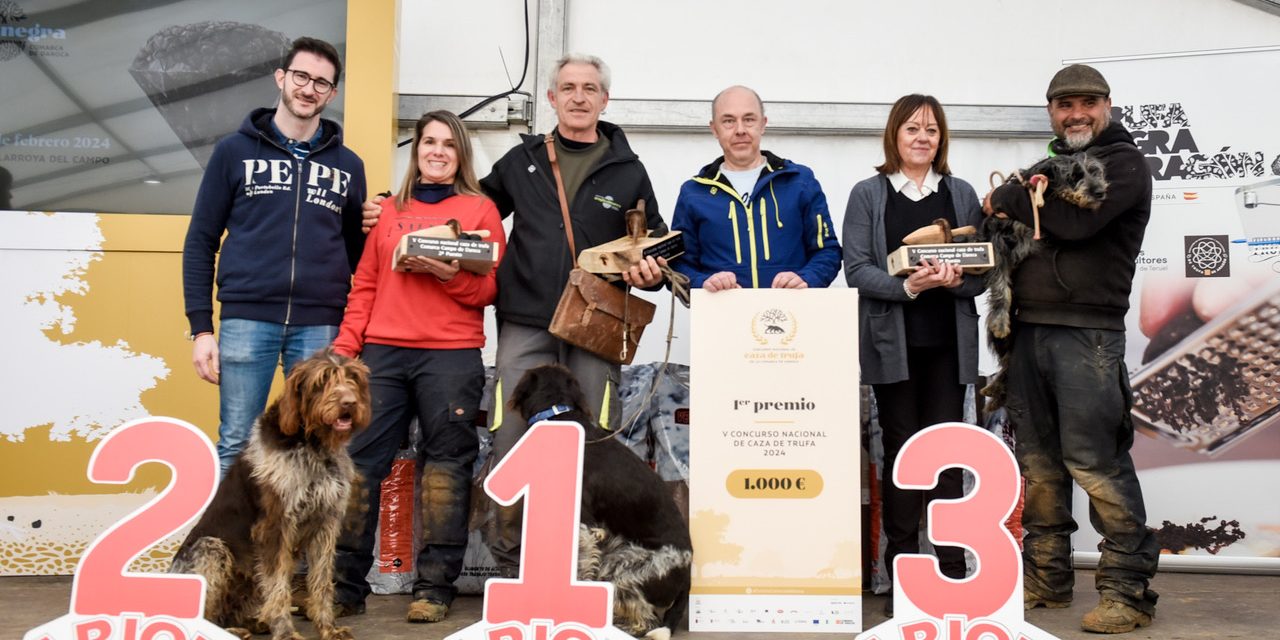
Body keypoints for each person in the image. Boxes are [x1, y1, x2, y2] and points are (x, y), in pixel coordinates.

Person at [983, 64, 1159, 634]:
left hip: (1089, 336)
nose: (1076, 113)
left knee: (1095, 463)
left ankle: (1127, 593)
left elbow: (1074, 225)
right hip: (1027, 331)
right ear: (1051, 111)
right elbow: (1000, 223)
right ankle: (1048, 580)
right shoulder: (1044, 168)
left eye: (1087, 103)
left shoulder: (1126, 164)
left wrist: (1014, 195)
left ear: (1107, 105)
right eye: (1064, 105)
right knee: (1038, 466)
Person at [479, 53, 668, 577]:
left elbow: (654, 242)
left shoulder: (628, 170)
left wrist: (650, 271)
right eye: (569, 87)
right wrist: (399, 205)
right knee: (511, 436)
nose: (579, 96)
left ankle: (587, 568)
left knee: (597, 442)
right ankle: (511, 567)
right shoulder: (522, 162)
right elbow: (472, 211)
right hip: (526, 318)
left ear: (604, 99)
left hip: (597, 324)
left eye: (590, 88)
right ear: (552, 98)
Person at [331, 110, 506, 622]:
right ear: (417, 151)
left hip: (451, 356)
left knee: (446, 469)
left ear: (461, 154)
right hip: (381, 354)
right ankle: (343, 587)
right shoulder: (389, 210)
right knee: (360, 466)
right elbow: (365, 284)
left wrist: (451, 274)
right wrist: (346, 349)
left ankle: (434, 589)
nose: (437, 151)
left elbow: (490, 290)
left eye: (448, 145)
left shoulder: (480, 210)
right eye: (429, 142)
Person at [183, 36, 368, 476]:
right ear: (281, 77)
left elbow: (357, 251)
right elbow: (200, 240)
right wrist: (200, 329)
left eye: (322, 83)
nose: (309, 89)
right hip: (248, 319)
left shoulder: (348, 166)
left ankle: (297, 547)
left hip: (320, 323)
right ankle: (229, 546)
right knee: (238, 443)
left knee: (317, 445)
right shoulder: (234, 152)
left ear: (333, 93)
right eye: (301, 76)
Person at [843, 94, 984, 614]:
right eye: (911, 129)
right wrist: (910, 287)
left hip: (949, 347)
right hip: (892, 346)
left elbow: (983, 271)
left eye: (931, 130)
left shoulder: (963, 193)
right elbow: (856, 269)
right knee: (902, 457)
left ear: (941, 138)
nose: (922, 138)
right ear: (894, 137)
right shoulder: (869, 194)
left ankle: (950, 573)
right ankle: (901, 574)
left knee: (946, 456)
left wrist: (952, 281)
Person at [671, 86, 840, 291]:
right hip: (722, 315)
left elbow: (828, 251)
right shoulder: (694, 193)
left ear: (763, 124)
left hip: (791, 314)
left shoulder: (800, 182)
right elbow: (678, 265)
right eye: (728, 121)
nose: (740, 130)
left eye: (749, 119)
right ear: (714, 129)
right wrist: (703, 283)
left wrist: (807, 278)